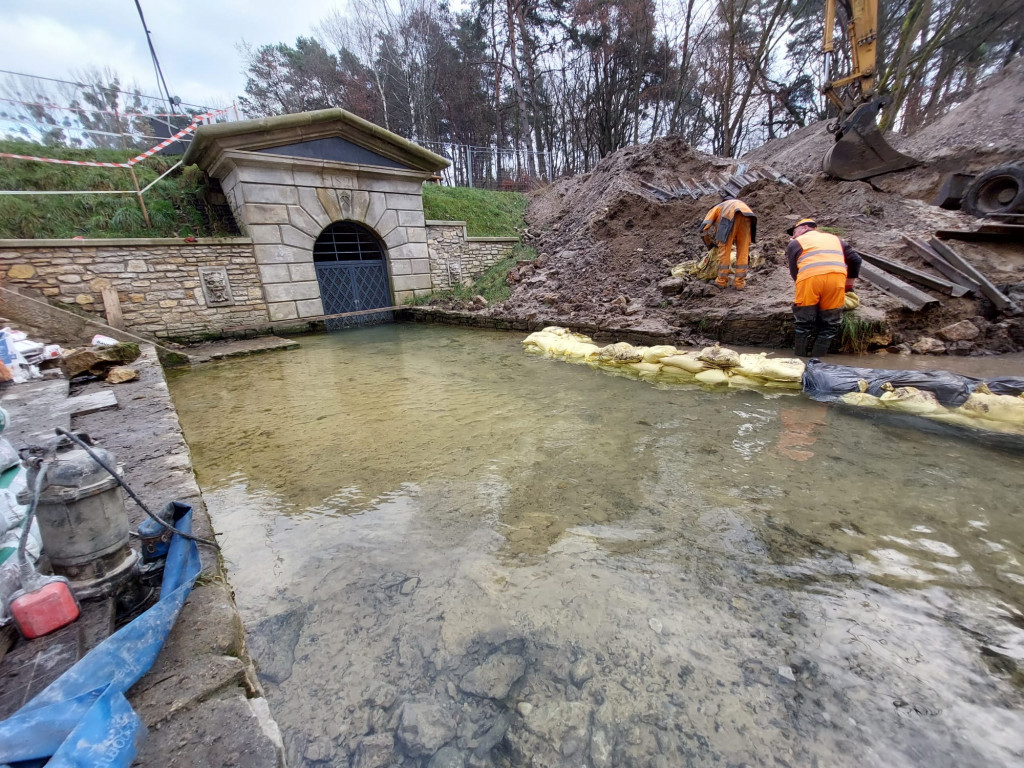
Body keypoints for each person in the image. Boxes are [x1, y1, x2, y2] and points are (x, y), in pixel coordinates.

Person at [785, 217, 862, 357]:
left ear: (806, 228)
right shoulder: (835, 239)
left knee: (803, 323)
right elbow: (856, 260)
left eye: (795, 231)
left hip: (810, 278)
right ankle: (819, 361)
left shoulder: (795, 243)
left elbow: (794, 272)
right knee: (830, 325)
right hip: (836, 278)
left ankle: (800, 360)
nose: (793, 235)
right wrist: (848, 286)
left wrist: (803, 289)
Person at [699, 197, 757, 290]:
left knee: (724, 251)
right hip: (748, 216)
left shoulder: (718, 207)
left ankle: (721, 282)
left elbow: (703, 229)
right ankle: (740, 283)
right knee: (743, 251)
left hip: (729, 218)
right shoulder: (738, 203)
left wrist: (709, 244)